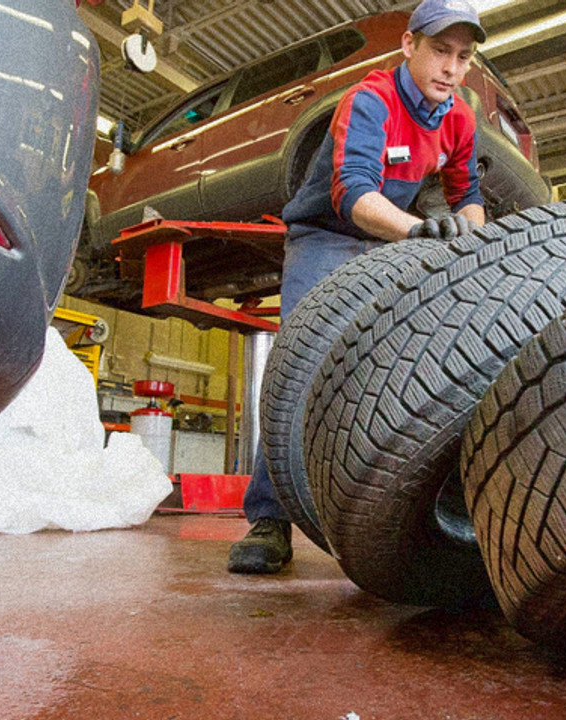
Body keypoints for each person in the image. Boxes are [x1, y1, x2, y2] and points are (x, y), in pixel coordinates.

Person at [228, 0, 488, 574]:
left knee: (405, 368)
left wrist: (471, 238)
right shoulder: (371, 100)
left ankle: (392, 515)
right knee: (299, 371)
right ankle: (269, 518)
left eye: (463, 57)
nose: (451, 68)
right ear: (409, 45)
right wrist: (419, 230)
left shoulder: (459, 118)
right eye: (440, 51)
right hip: (327, 234)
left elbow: (468, 195)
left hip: (390, 238)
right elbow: (352, 193)